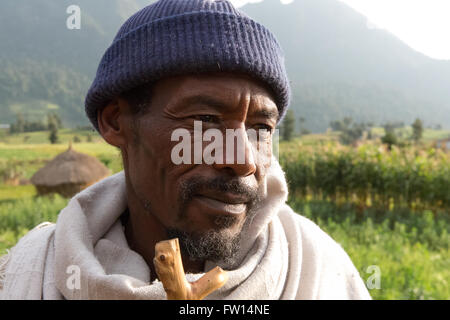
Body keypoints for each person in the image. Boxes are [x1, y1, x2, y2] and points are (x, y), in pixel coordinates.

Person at [0, 0, 371, 300]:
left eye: (261, 128)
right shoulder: (29, 271)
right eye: (205, 120)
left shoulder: (319, 272)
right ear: (116, 122)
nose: (242, 160)